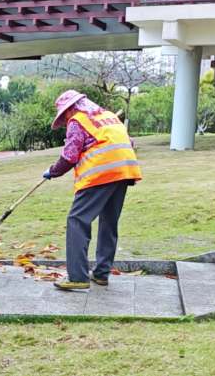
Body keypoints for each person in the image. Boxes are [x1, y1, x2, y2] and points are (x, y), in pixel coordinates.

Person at [42, 90, 142, 290]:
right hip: (124, 171)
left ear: (71, 108)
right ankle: (101, 274)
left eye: (64, 115)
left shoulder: (78, 121)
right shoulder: (109, 117)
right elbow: (129, 143)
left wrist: (52, 171)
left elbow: (70, 155)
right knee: (108, 222)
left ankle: (78, 277)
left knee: (77, 220)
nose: (65, 119)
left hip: (100, 173)